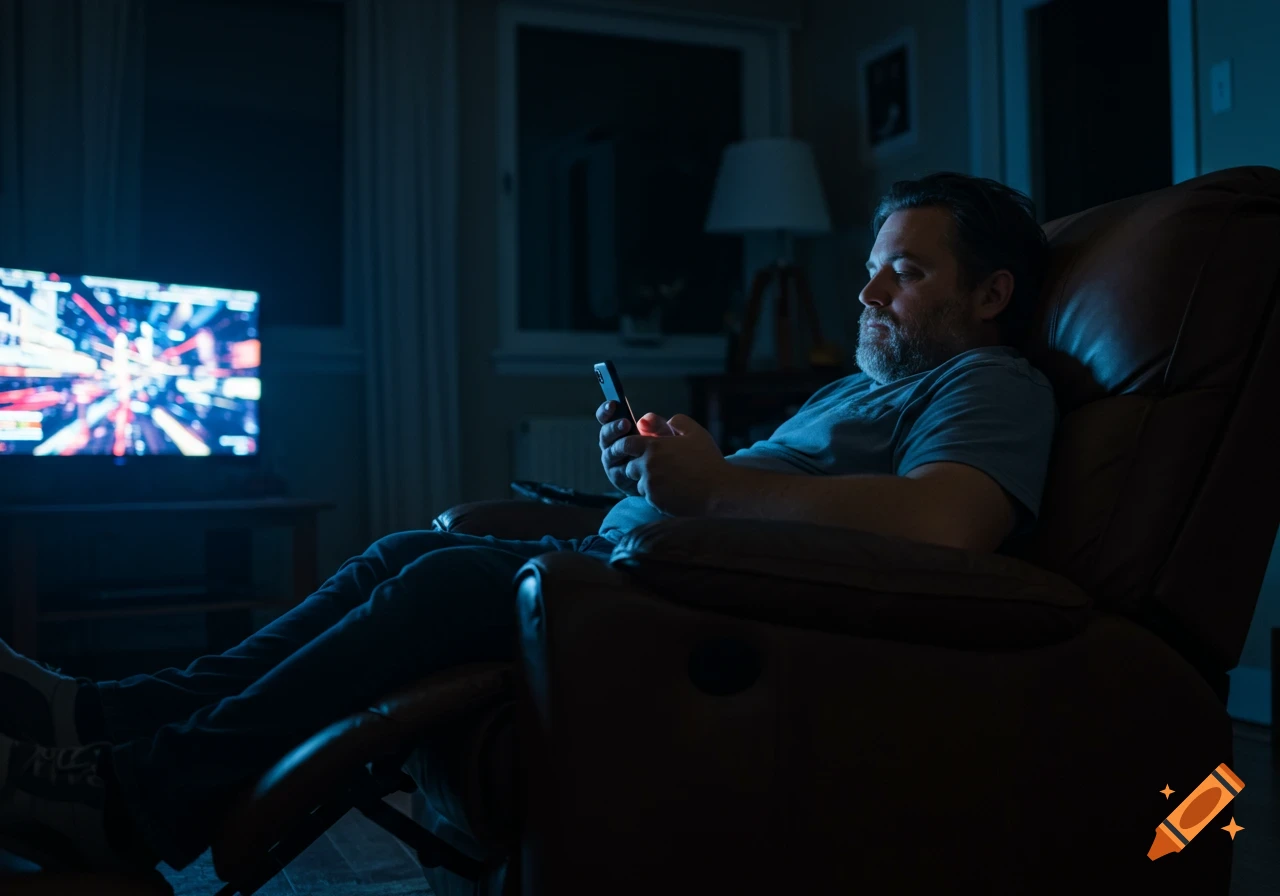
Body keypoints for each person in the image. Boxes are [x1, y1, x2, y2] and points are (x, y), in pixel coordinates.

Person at [0, 172, 1057, 872]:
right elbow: (759, 491)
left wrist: (713, 491)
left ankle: (135, 800)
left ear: (990, 293)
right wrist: (667, 467)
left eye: (906, 271)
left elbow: (943, 523)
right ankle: (104, 715)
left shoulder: (989, 383)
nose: (868, 290)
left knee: (433, 582)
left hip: (690, 612)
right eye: (873, 263)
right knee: (406, 548)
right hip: (641, 560)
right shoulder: (861, 388)